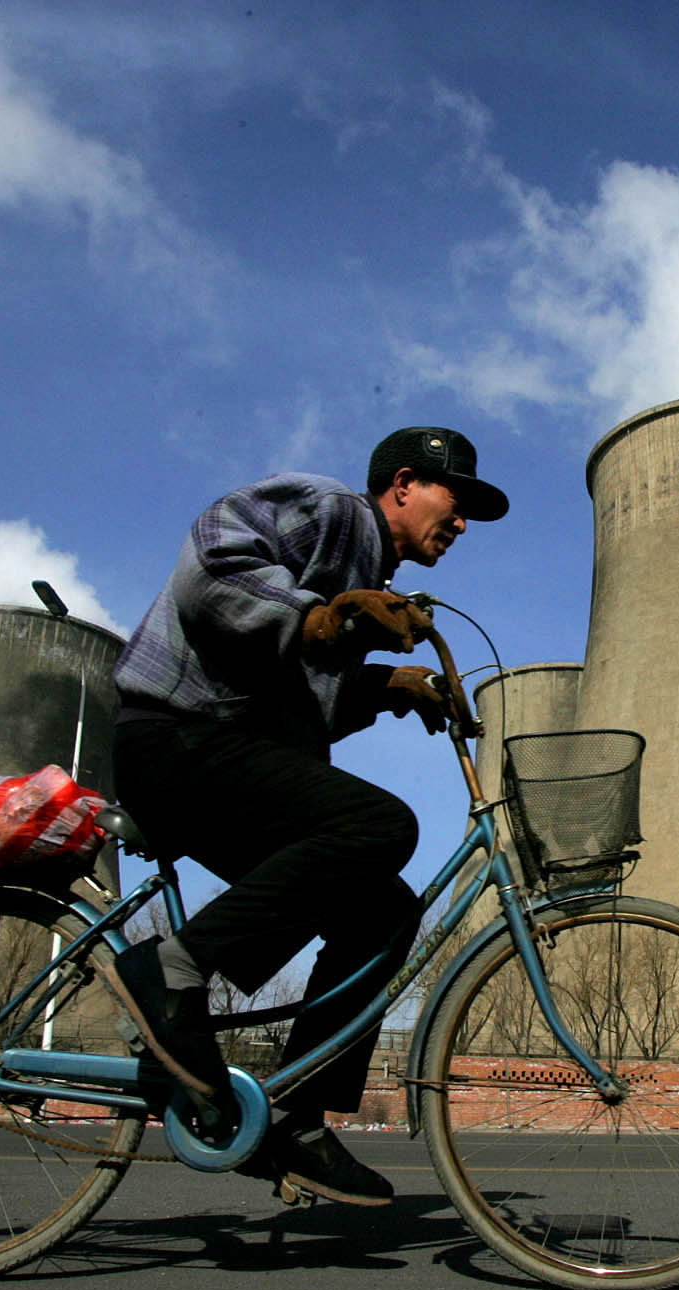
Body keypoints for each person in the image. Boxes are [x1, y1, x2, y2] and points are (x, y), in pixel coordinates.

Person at [108, 426, 508, 1206]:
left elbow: (299, 700)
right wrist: (325, 617)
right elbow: (213, 566)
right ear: (402, 483)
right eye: (454, 504)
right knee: (384, 825)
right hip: (173, 739)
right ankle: (171, 970)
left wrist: (387, 687)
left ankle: (295, 1121)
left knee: (386, 912)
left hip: (226, 756)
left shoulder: (370, 576)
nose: (460, 526)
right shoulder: (329, 511)